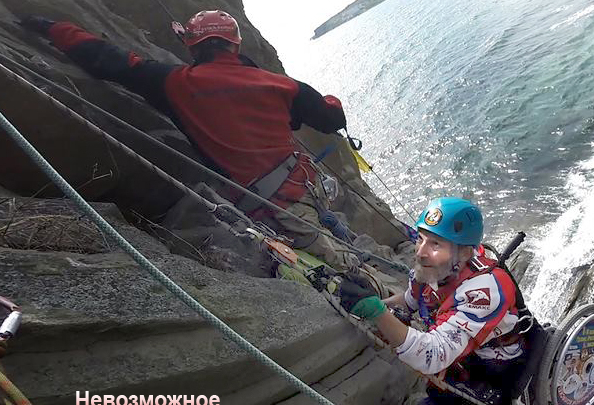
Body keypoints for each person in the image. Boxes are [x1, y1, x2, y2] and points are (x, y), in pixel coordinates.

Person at [18, 10, 359, 269]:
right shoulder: (280, 85)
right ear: (235, 44)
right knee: (344, 254)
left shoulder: (173, 83)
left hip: (273, 206)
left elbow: (108, 59)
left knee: (339, 265)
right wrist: (326, 101)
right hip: (307, 184)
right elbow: (331, 118)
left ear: (193, 47)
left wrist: (52, 28)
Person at [338, 197, 529, 405]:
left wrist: (376, 312)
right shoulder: (435, 269)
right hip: (463, 360)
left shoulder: (485, 290)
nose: (421, 252)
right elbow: (412, 300)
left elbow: (433, 355)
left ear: (464, 253)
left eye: (435, 244)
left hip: (495, 372)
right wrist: (374, 305)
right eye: (421, 239)